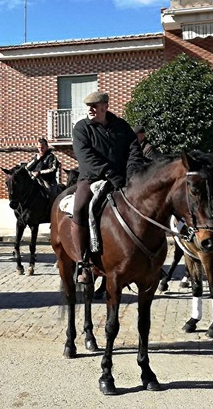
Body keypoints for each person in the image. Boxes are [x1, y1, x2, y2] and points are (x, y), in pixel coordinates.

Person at [71, 91, 147, 285]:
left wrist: (132, 172)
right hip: (91, 179)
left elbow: (133, 149)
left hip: (122, 179)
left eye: (94, 106)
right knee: (79, 208)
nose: (90, 109)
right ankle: (82, 262)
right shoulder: (81, 128)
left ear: (105, 106)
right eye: (88, 106)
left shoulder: (121, 126)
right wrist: (109, 173)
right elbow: (86, 157)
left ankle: (147, 260)